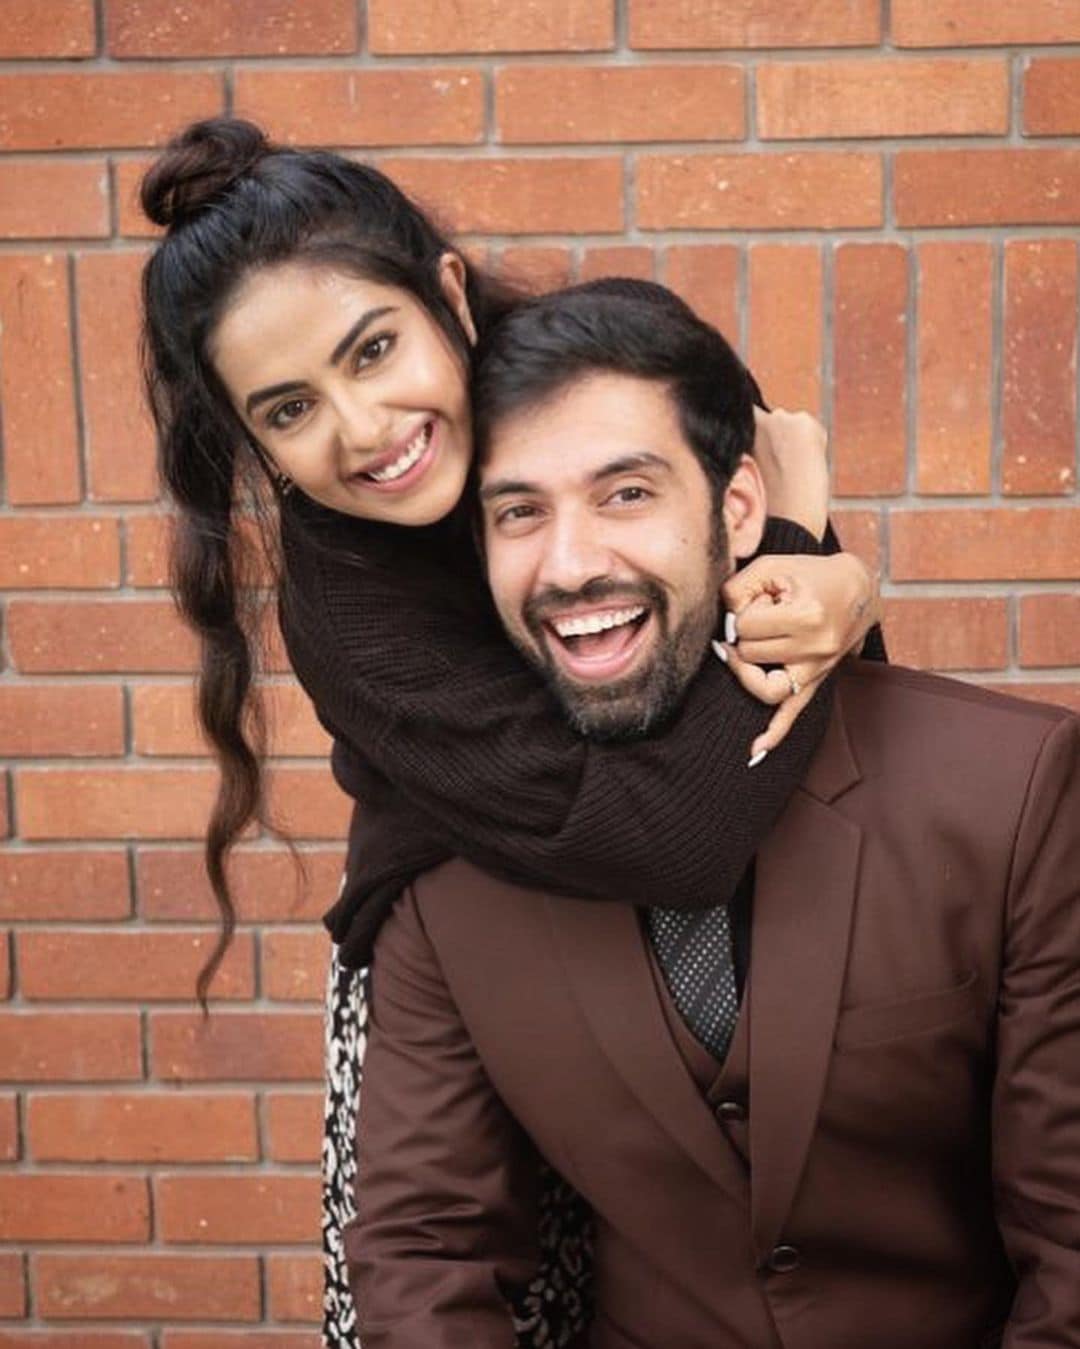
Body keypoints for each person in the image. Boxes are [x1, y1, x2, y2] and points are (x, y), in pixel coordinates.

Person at [138, 119, 882, 1347]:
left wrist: (836, 584)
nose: (364, 426)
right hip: (479, 949)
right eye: (291, 408)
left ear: (445, 295)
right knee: (454, 1301)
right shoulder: (348, 610)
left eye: (374, 348)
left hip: (714, 914)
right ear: (251, 439)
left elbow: (798, 653)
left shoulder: (616, 366)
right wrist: (805, 539)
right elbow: (659, 832)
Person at [350, 282, 1080, 1348]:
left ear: (739, 510)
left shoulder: (1012, 786)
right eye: (519, 512)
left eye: (626, 493)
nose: (570, 564)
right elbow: (425, 1252)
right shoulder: (448, 858)